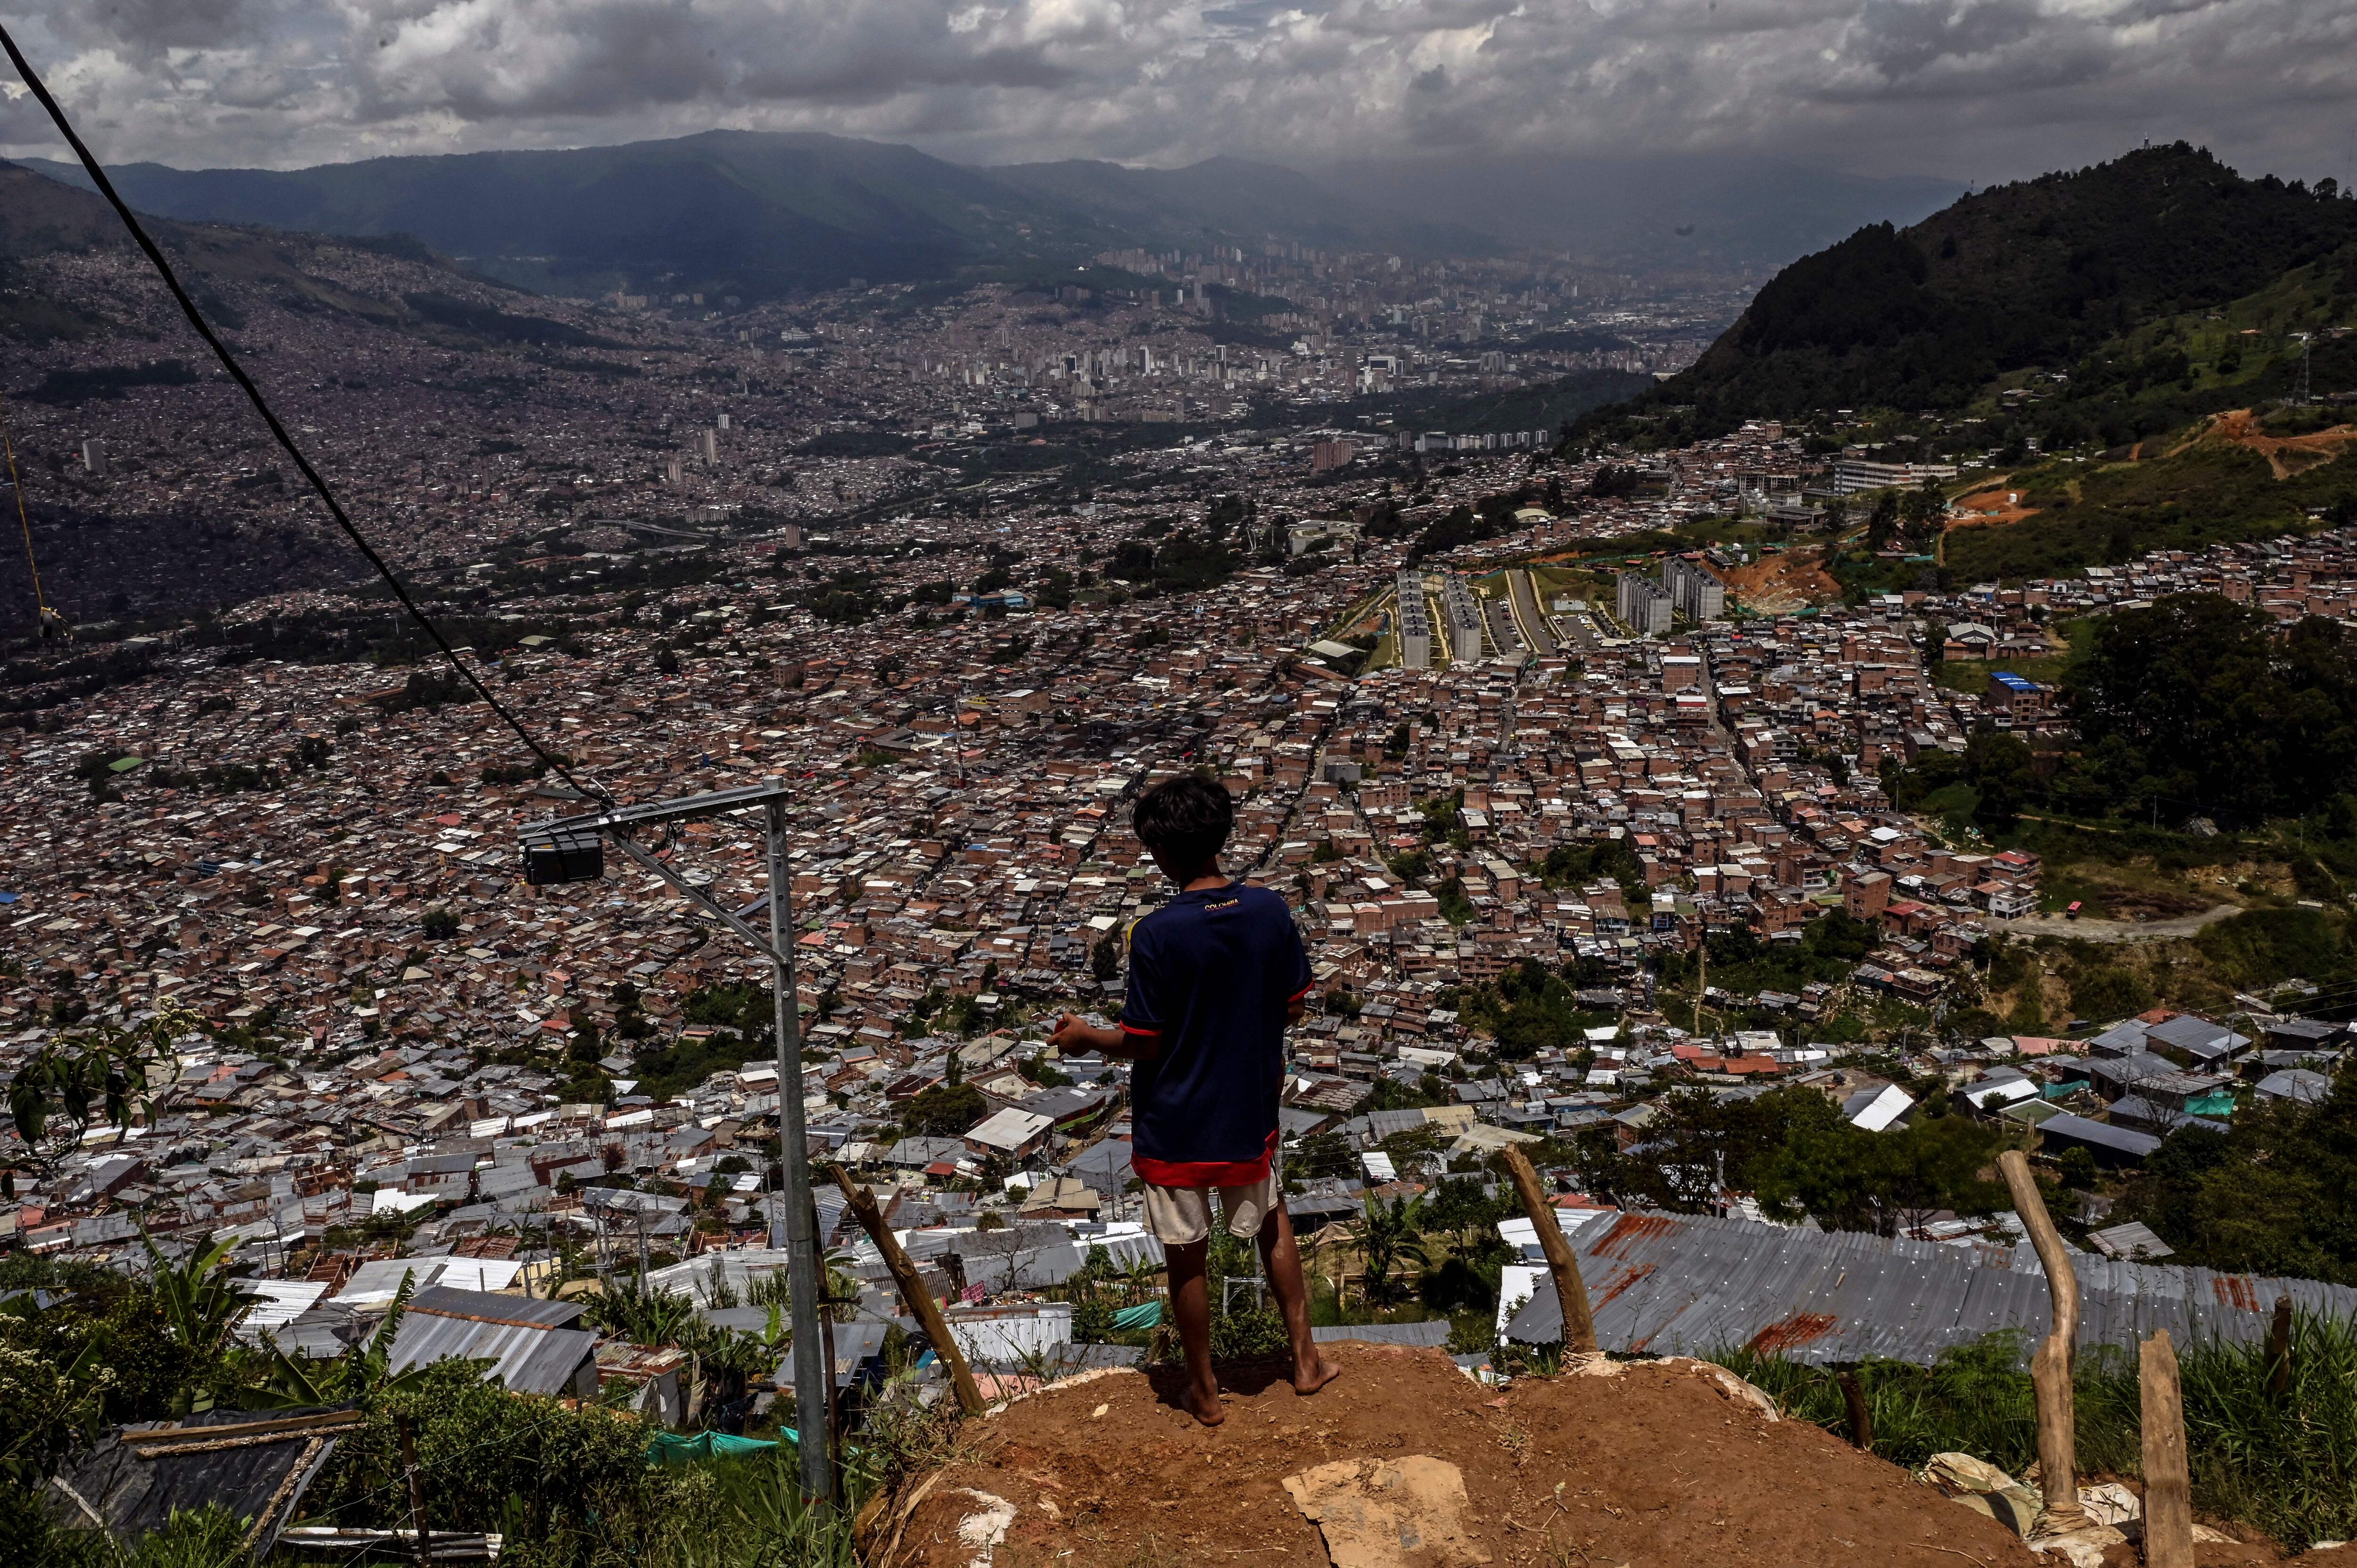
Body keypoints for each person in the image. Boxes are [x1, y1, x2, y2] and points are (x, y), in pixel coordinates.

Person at [1049, 772, 1341, 1426]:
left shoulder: (1156, 934)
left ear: (1159, 854)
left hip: (1176, 1118)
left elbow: (1145, 1043)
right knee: (1272, 1221)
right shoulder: (1269, 910)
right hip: (1248, 1109)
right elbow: (1293, 1008)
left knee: (1187, 1254)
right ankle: (1305, 1363)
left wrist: (1085, 1038)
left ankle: (1205, 1391)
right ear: (1223, 834)